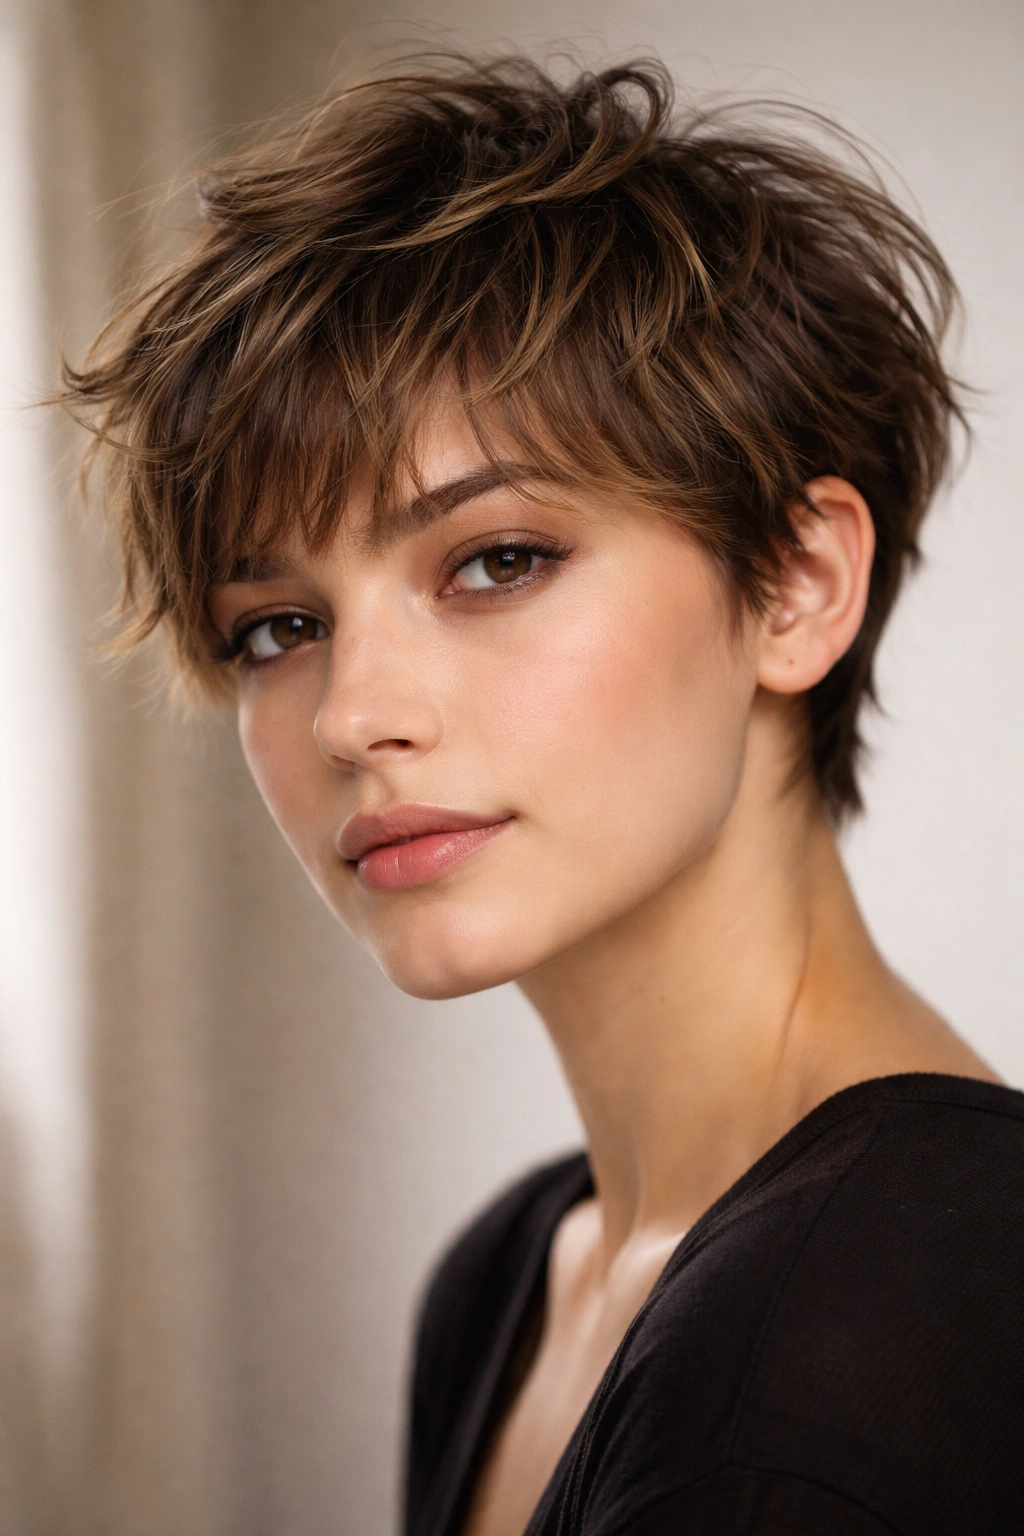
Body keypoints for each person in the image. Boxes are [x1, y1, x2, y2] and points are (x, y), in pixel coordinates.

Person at [62, 55, 1023, 1536]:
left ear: (796, 583)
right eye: (278, 626)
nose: (357, 715)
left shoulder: (885, 1329)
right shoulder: (510, 1275)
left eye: (496, 560)